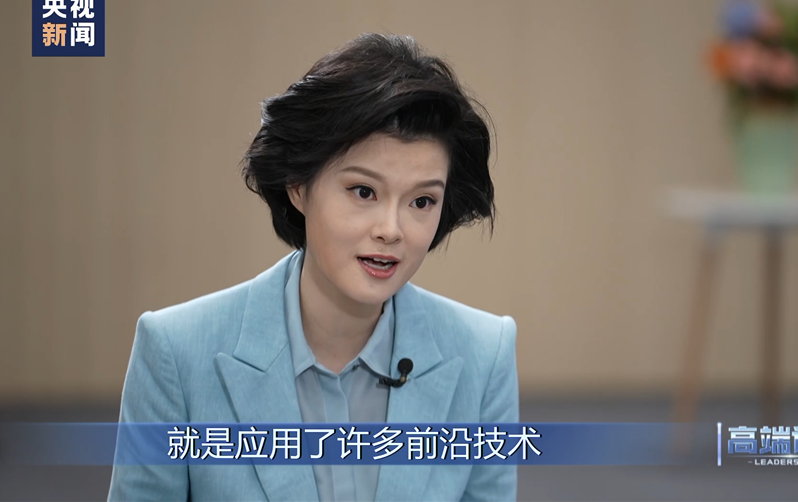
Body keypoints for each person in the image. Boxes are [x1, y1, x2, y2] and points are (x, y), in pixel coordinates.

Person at [108, 33, 519, 502]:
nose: (391, 230)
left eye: (422, 201)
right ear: (298, 186)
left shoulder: (485, 355)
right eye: (363, 192)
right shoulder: (176, 353)